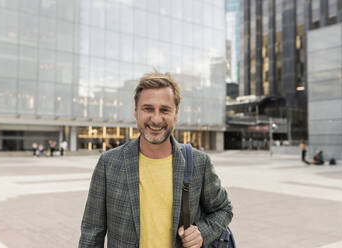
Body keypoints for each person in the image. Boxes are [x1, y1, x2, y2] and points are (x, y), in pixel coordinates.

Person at [79, 71, 233, 248]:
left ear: (176, 113)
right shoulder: (109, 163)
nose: (156, 119)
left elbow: (224, 209)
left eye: (165, 110)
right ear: (136, 111)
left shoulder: (199, 163)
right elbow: (92, 231)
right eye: (148, 109)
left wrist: (202, 233)